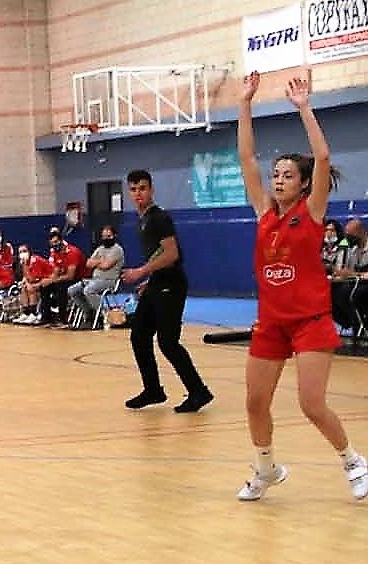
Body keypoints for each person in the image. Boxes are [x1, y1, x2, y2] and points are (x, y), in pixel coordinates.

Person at [233, 71, 368, 502]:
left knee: (312, 404)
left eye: (287, 175)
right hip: (271, 324)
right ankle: (266, 468)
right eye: (277, 174)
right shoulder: (264, 213)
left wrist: (304, 107)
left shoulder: (310, 214)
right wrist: (245, 103)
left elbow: (323, 157)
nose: (278, 179)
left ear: (304, 184)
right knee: (255, 402)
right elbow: (246, 159)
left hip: (311, 322)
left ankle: (353, 461)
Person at [120, 171, 214, 412]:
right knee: (139, 335)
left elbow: (171, 254)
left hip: (170, 285)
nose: (138, 193)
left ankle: (198, 391)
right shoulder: (143, 220)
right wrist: (149, 279)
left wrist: (140, 272)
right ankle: (153, 389)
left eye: (142, 188)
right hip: (157, 283)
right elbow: (158, 255)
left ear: (151, 190)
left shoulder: (159, 218)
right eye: (133, 189)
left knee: (168, 342)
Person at [67, 225, 124, 325]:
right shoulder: (99, 249)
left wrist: (96, 262)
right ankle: (89, 312)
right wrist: (100, 261)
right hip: (94, 280)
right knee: (72, 290)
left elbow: (106, 265)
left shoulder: (117, 250)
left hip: (108, 281)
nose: (106, 239)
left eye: (109, 236)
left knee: (88, 290)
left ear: (115, 236)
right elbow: (88, 263)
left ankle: (102, 314)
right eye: (104, 236)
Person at [14, 245, 52, 324]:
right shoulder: (23, 263)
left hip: (49, 280)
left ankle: (33, 314)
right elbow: (26, 276)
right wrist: (25, 282)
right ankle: (26, 313)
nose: (22, 254)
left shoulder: (35, 261)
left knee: (31, 288)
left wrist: (29, 284)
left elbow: (36, 279)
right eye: (20, 252)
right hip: (38, 281)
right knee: (23, 288)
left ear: (29, 252)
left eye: (24, 251)